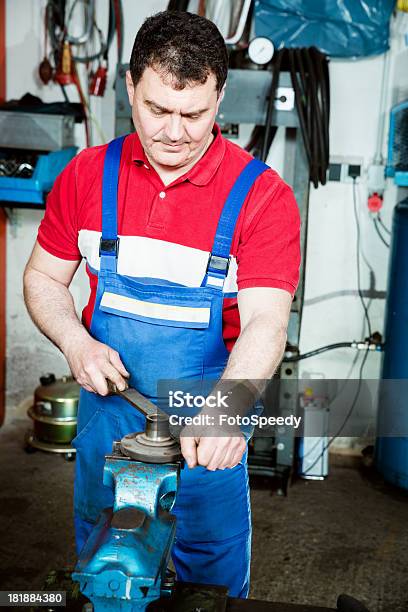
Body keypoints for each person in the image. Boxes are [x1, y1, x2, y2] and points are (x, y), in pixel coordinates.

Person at [23, 10, 300, 599]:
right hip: (109, 424)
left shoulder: (263, 199)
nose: (174, 132)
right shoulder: (86, 177)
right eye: (157, 110)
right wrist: (75, 341)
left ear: (220, 98)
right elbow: (44, 279)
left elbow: (266, 320)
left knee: (210, 591)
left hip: (207, 427)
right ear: (130, 88)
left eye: (194, 114)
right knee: (109, 575)